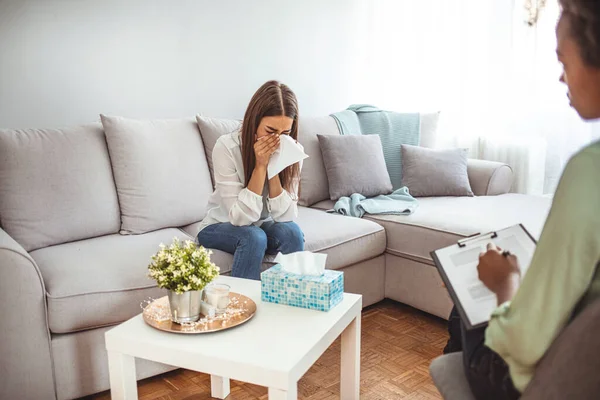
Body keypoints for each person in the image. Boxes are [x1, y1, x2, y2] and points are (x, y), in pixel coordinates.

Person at [443, 1, 600, 399]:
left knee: (463, 307)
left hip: (534, 378)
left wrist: (507, 282)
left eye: (563, 60)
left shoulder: (589, 171)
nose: (562, 77)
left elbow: (524, 343)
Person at [197, 80, 304, 280]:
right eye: (270, 132)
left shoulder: (292, 150)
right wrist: (260, 166)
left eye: (286, 133)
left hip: (260, 225)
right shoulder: (227, 147)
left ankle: (290, 302)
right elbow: (240, 218)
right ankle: (243, 306)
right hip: (218, 226)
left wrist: (274, 167)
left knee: (292, 233)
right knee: (253, 237)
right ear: (253, 123)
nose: (278, 141)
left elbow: (286, 215)